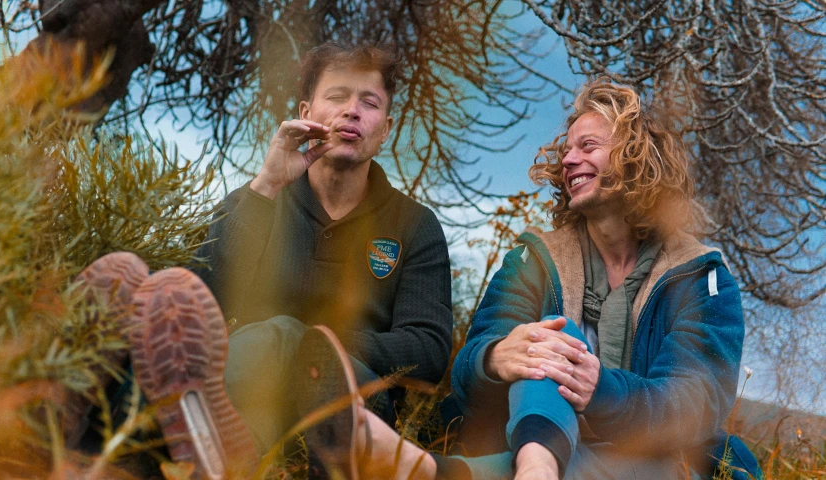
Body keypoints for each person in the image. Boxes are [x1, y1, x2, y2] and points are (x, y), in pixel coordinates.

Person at [350, 79, 763, 480]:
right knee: (552, 342)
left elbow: (693, 403)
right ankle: (538, 468)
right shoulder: (532, 261)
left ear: (637, 159)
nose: (567, 160)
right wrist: (494, 357)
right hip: (528, 434)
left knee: (640, 451)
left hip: (649, 457)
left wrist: (600, 389)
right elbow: (468, 368)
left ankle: (432, 473)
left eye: (588, 146)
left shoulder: (700, 277)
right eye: (566, 150)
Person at [193, 42, 453, 457]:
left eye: (369, 103)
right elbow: (200, 300)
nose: (352, 111)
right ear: (305, 114)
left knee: (284, 339)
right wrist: (265, 186)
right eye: (336, 97)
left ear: (385, 129)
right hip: (249, 385)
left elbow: (429, 349)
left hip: (355, 405)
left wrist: (315, 343)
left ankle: (206, 446)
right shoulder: (259, 199)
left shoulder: (415, 225)